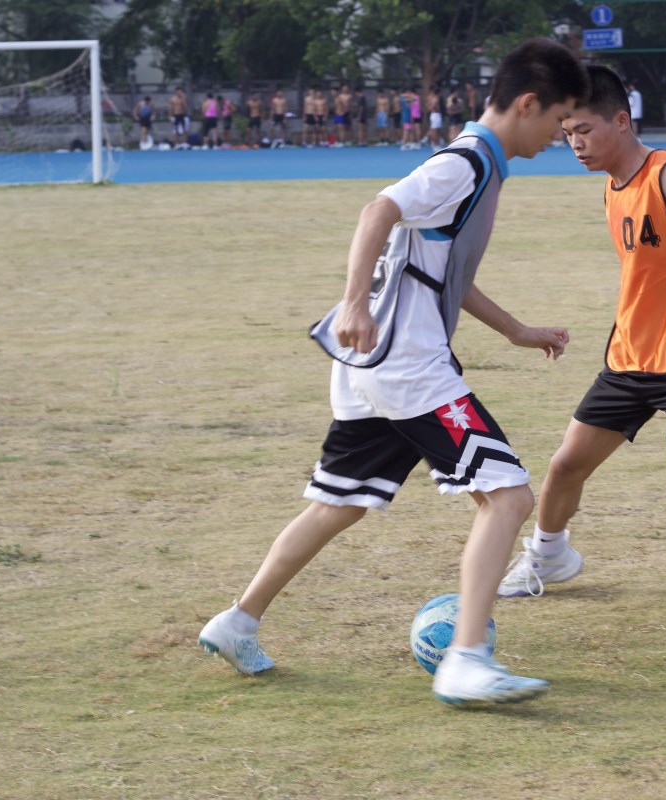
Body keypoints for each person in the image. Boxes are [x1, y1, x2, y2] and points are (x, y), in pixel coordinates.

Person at [197, 39, 589, 706]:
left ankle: (237, 622)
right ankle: (466, 659)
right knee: (509, 497)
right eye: (559, 120)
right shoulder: (464, 164)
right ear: (527, 104)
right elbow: (378, 209)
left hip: (372, 366)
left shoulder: (477, 166)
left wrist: (516, 330)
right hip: (408, 366)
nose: (560, 134)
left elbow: (441, 271)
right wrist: (353, 302)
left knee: (341, 501)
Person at [496, 65, 666, 664]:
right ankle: (549, 555)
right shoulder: (611, 183)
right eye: (567, 133)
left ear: (621, 121)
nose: (574, 143)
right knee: (565, 466)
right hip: (631, 352)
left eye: (584, 130)